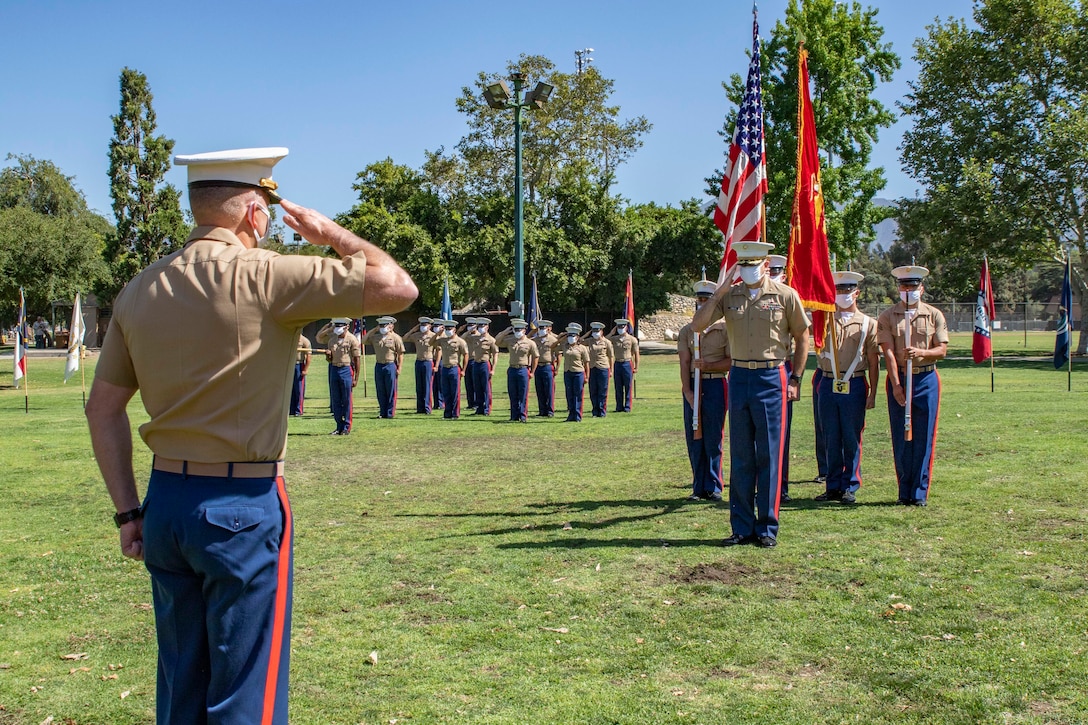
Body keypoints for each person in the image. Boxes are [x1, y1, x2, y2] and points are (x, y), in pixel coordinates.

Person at [84, 146, 416, 724]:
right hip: (240, 504)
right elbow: (396, 285)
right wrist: (328, 231)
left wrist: (126, 513)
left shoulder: (139, 289)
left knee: (181, 687)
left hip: (165, 505)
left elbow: (102, 409)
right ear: (253, 214)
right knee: (246, 694)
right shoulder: (266, 274)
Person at [691, 241, 810, 548]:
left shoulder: (785, 295)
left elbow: (802, 335)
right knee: (741, 455)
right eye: (743, 265)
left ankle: (767, 528)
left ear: (766, 264)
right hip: (740, 375)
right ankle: (741, 527)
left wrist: (796, 377)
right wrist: (720, 290)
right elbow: (697, 324)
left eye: (753, 264)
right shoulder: (730, 296)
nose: (748, 269)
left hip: (772, 375)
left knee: (769, 454)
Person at [877, 265, 948, 506]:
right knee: (901, 436)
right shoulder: (887, 316)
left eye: (913, 286)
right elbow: (887, 352)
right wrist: (896, 384)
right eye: (904, 286)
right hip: (899, 378)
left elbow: (942, 350)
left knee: (924, 436)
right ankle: (903, 490)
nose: (908, 290)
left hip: (926, 378)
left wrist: (921, 352)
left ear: (922, 288)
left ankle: (919, 492)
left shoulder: (933, 314)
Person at [814, 271, 880, 504]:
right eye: (838, 291)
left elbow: (873, 360)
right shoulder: (823, 320)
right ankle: (832, 484)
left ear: (856, 293)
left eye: (846, 291)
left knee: (851, 436)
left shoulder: (868, 323)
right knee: (830, 435)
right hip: (828, 381)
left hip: (855, 382)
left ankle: (850, 484)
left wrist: (873, 392)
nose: (842, 295)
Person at [678, 278, 731, 502]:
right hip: (692, 385)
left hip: (715, 383)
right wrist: (688, 392)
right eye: (699, 299)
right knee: (694, 437)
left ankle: (714, 485)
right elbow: (684, 362)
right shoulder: (688, 330)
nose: (702, 303)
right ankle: (698, 486)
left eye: (707, 299)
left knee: (713, 436)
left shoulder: (726, 329)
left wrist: (709, 366)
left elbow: (731, 361)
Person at [317, 317, 361, 434]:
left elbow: (357, 359)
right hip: (334, 368)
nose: (337, 329)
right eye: (336, 326)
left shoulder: (352, 339)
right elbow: (319, 338)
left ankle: (346, 427)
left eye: (339, 326)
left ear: (346, 327)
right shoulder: (332, 340)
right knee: (336, 399)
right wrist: (328, 355)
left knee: (346, 399)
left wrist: (356, 378)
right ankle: (338, 426)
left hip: (346, 368)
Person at [495, 319, 539, 422]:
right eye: (516, 329)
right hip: (512, 369)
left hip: (523, 369)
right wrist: (505, 332)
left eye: (519, 329)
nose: (517, 331)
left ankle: (523, 415)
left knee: (523, 394)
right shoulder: (510, 340)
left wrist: (532, 371)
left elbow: (536, 356)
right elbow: (497, 342)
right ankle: (514, 416)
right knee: (513, 393)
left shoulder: (530, 343)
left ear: (524, 330)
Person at [364, 315, 404, 418]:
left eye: (384, 325)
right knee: (380, 390)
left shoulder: (396, 338)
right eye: (380, 325)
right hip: (379, 365)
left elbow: (400, 354)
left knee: (390, 390)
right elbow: (364, 340)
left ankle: (390, 413)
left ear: (391, 326)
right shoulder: (376, 337)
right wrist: (374, 329)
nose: (382, 328)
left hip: (390, 365)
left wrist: (399, 368)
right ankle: (382, 412)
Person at [433, 319, 469, 419]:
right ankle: (447, 413)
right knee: (446, 392)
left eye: (450, 328)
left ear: (454, 329)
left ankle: (455, 413)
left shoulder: (460, 341)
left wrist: (463, 370)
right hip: (445, 368)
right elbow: (431, 343)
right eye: (446, 328)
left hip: (454, 368)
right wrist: (438, 333)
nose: (448, 330)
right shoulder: (443, 340)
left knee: (455, 392)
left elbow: (466, 355)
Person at [557, 323, 590, 422]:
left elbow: (586, 363)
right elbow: (552, 347)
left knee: (578, 394)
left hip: (578, 372)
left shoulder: (582, 348)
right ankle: (571, 415)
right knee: (569, 394)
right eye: (569, 335)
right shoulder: (565, 346)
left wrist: (587, 376)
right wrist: (561, 338)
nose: (571, 338)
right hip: (568, 372)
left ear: (577, 337)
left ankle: (577, 415)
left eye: (573, 335)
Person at [404, 316, 437, 414]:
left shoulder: (433, 336)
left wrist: (436, 364)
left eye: (425, 325)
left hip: (428, 361)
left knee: (427, 386)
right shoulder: (416, 335)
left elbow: (438, 350)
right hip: (418, 361)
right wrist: (413, 330)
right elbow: (404, 338)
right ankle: (420, 408)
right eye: (421, 325)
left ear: (430, 326)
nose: (423, 327)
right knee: (419, 386)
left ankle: (427, 408)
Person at [608, 317, 640, 412]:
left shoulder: (632, 339)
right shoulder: (614, 339)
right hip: (617, 363)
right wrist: (611, 333)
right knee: (618, 386)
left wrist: (636, 367)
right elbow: (604, 341)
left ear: (626, 327)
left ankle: (627, 406)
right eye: (618, 327)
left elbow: (637, 354)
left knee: (628, 386)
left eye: (622, 326)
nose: (620, 328)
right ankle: (619, 406)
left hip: (627, 363)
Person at [584, 321, 614, 417]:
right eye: (593, 331)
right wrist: (588, 333)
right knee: (593, 390)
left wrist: (611, 370)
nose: (595, 333)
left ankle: (602, 411)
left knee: (602, 390)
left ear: (601, 331)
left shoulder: (607, 342)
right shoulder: (589, 341)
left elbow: (611, 356)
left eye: (597, 331)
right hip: (592, 367)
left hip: (603, 367)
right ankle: (595, 410)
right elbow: (579, 341)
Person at [468, 316, 497, 415]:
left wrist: (493, 369)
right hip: (476, 363)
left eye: (482, 326)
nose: (480, 328)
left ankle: (486, 409)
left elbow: (495, 354)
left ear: (487, 327)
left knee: (486, 387)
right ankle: (479, 408)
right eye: (479, 326)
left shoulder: (491, 340)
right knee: (477, 387)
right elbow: (462, 338)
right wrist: (470, 330)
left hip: (485, 364)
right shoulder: (475, 338)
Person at [532, 320, 559, 417]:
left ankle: (550, 411)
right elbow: (525, 339)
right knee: (540, 389)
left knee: (549, 390)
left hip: (548, 366)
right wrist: (533, 331)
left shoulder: (553, 340)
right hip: (538, 366)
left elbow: (558, 355)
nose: (542, 330)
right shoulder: (535, 340)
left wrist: (557, 368)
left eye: (544, 328)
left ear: (548, 328)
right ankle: (542, 411)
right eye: (540, 328)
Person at [290, 333, 311, 416]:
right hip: (290, 365)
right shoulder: (290, 338)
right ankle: (291, 409)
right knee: (291, 388)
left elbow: (309, 356)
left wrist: (305, 369)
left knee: (299, 389)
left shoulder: (304, 341)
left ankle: (299, 410)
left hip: (299, 365)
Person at [461, 318, 479, 409]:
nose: (470, 327)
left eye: (472, 325)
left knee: (475, 383)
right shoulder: (466, 336)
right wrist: (468, 332)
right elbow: (461, 338)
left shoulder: (479, 335)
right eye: (469, 325)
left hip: (476, 360)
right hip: (467, 361)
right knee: (468, 384)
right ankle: (470, 403)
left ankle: (476, 403)